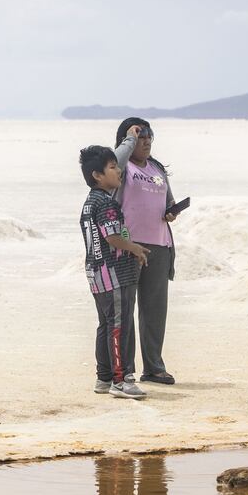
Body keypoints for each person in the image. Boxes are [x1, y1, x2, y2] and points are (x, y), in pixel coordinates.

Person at [113, 118, 181, 385]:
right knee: (126, 308)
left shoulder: (156, 168)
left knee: (154, 310)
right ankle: (125, 368)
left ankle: (153, 367)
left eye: (149, 135)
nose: (147, 140)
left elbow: (168, 200)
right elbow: (116, 161)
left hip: (159, 245)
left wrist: (172, 210)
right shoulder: (119, 166)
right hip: (129, 245)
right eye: (140, 135)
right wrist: (128, 142)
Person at [79, 145, 150, 400]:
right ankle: (121, 380)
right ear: (97, 175)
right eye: (112, 167)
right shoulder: (107, 204)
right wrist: (136, 249)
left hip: (96, 275)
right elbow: (112, 237)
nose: (118, 170)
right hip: (114, 275)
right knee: (119, 326)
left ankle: (104, 377)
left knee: (106, 325)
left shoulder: (89, 203)